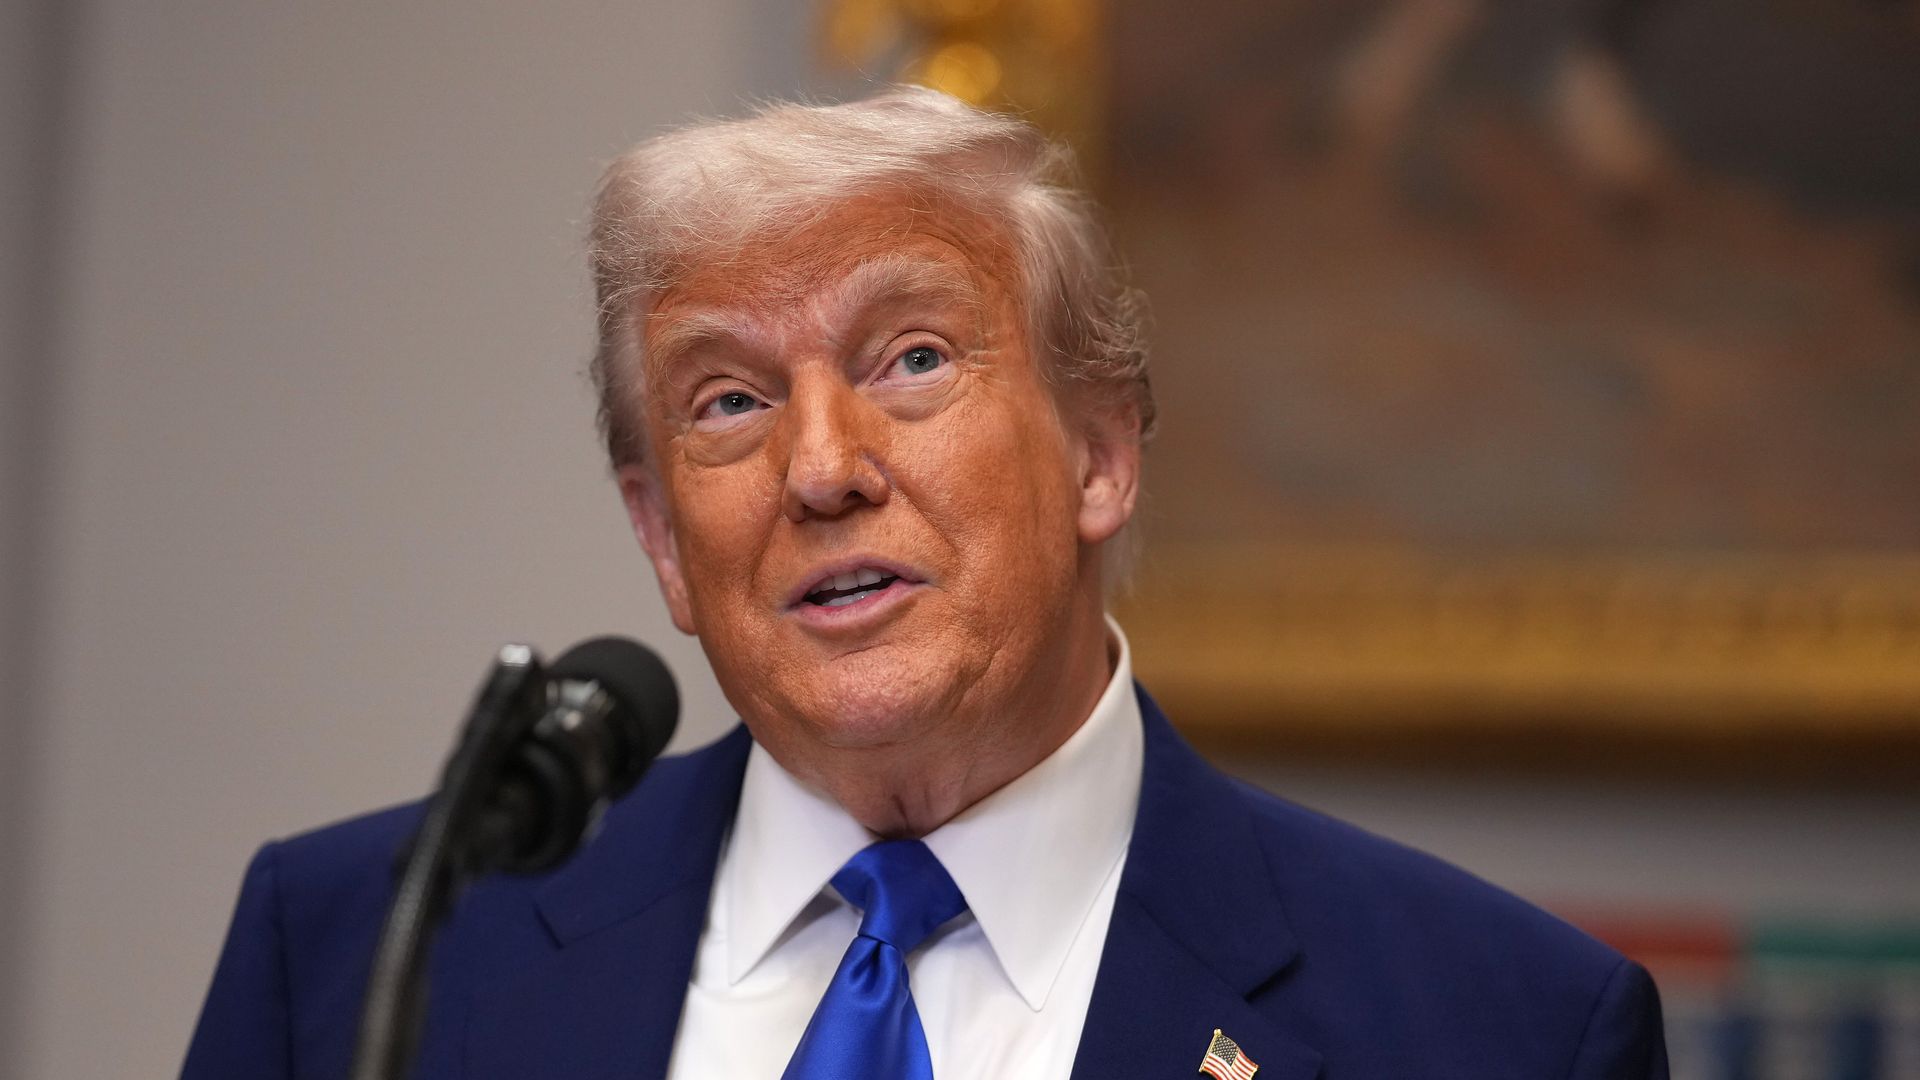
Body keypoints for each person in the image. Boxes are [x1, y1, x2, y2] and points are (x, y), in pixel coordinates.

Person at [182, 87, 1668, 1080]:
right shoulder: (357, 955)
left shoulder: (1499, 1029)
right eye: (727, 402)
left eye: (913, 359)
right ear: (658, 537)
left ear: (1100, 451)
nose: (821, 467)